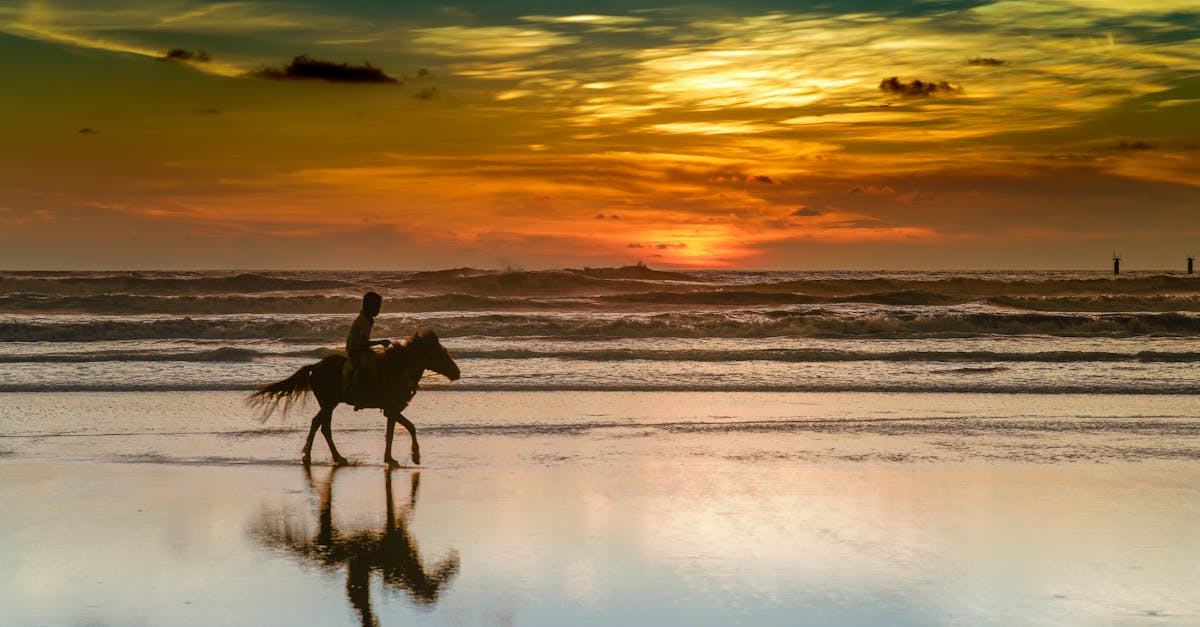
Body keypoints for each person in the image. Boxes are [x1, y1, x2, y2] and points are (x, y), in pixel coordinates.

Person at [345, 291, 391, 399]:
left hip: (362, 349)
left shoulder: (366, 319)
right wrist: (380, 342)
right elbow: (363, 342)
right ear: (369, 306)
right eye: (377, 307)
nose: (378, 310)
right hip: (356, 350)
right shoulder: (363, 321)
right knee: (366, 367)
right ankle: (357, 389)